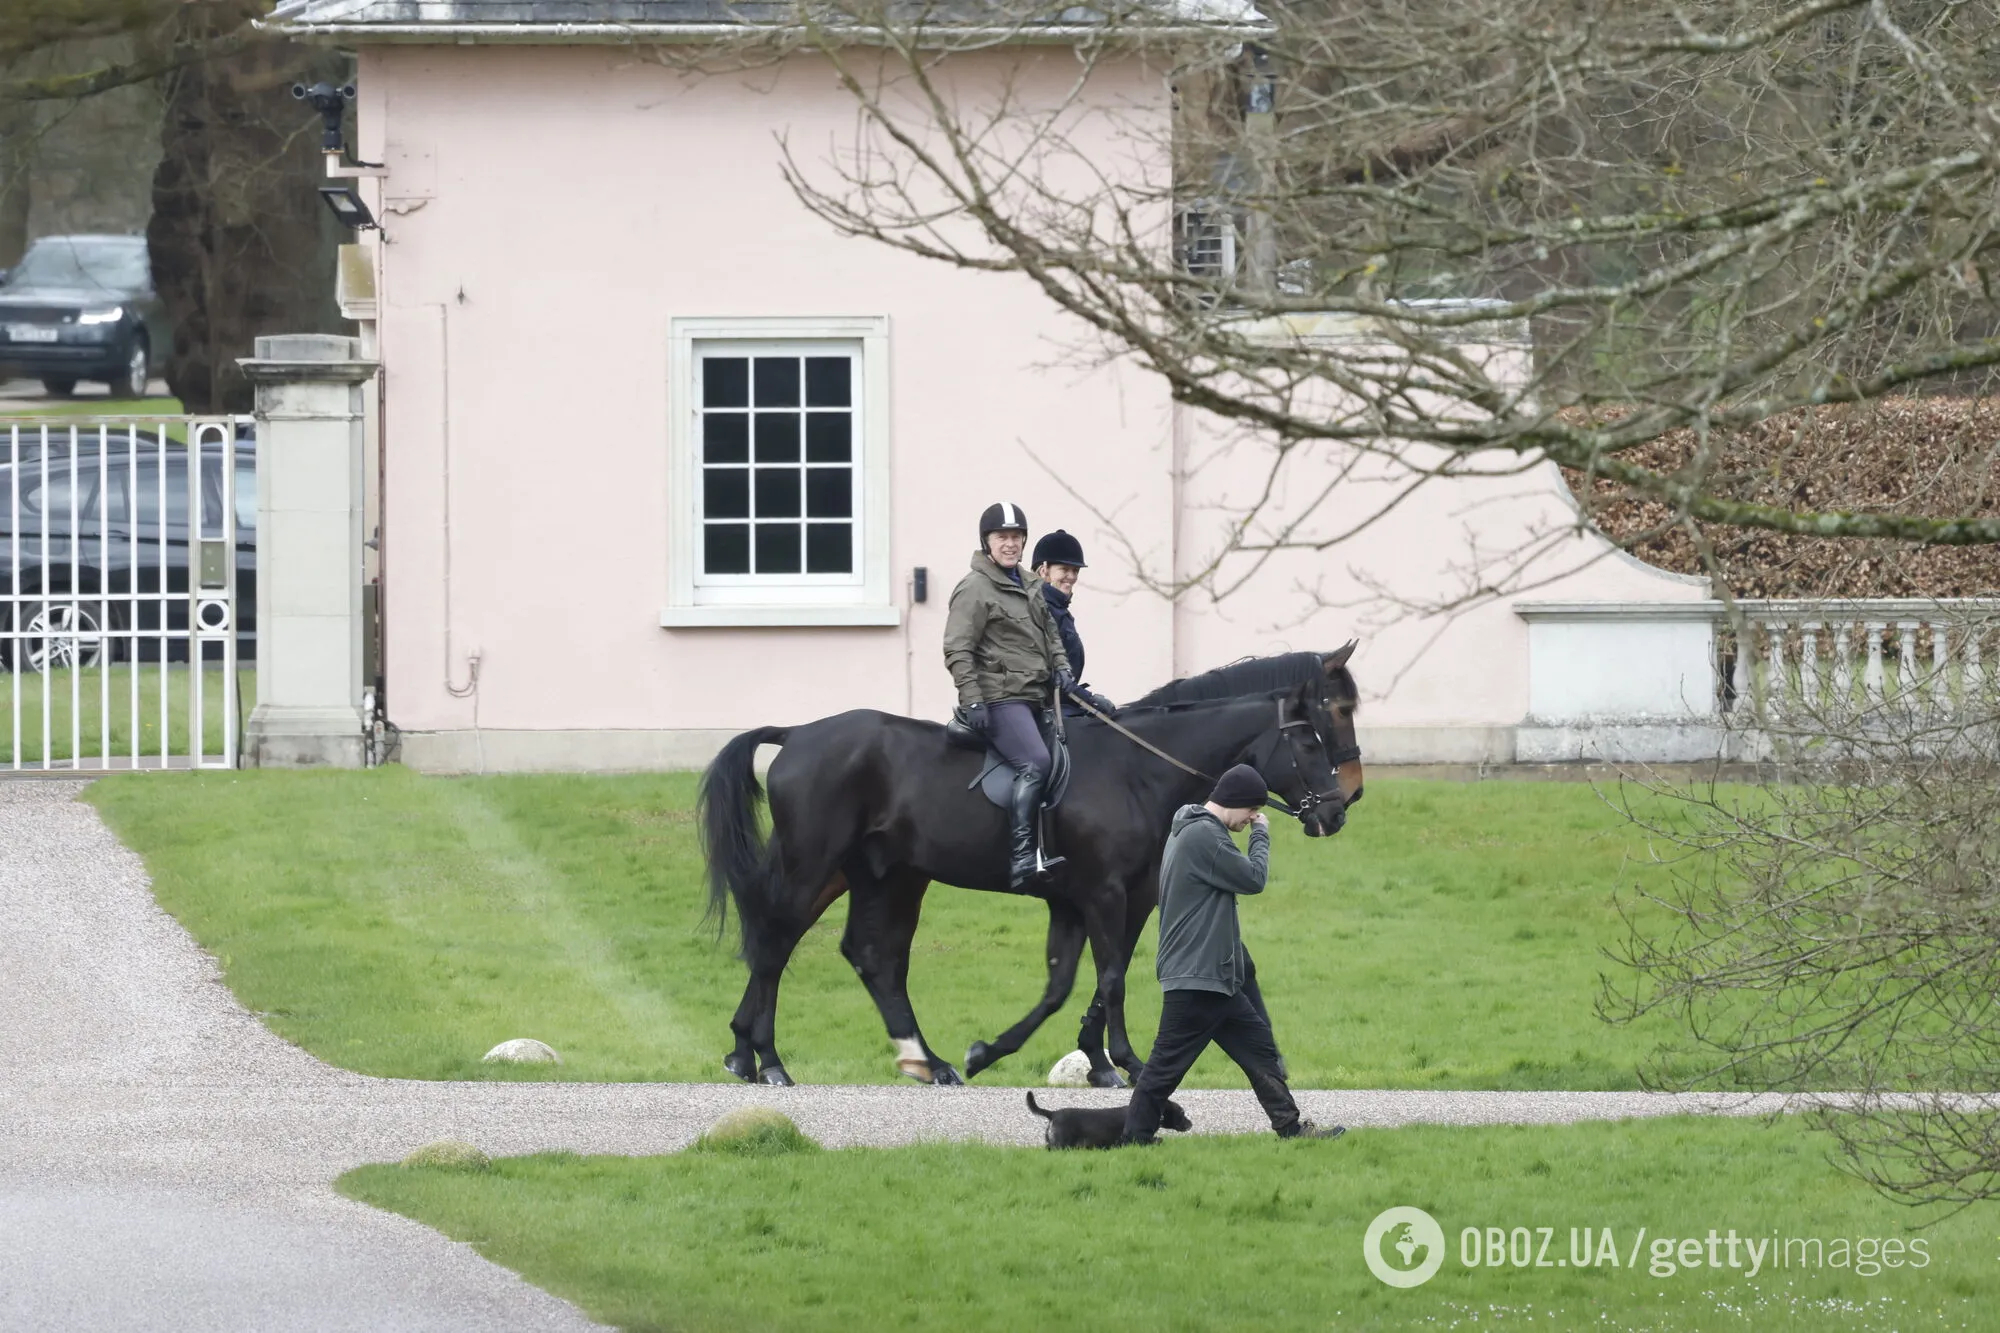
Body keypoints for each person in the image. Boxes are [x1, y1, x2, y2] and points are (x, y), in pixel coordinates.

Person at [1121, 763, 1345, 1144]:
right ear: (1237, 803)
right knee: (1162, 1071)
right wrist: (1261, 834)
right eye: (1251, 811)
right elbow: (1253, 878)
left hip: (1215, 976)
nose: (1251, 818)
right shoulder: (1203, 837)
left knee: (1259, 1049)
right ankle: (1134, 1139)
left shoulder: (1192, 830)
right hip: (1197, 977)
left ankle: (1290, 1129)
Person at [944, 502, 1076, 889]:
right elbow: (957, 648)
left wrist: (1063, 667)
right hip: (1001, 697)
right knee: (1035, 762)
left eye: (1016, 537)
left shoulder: (1030, 583)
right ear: (987, 541)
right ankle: (1021, 860)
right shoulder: (975, 588)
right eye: (1002, 537)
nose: (1010, 544)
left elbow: (1050, 635)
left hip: (1035, 695)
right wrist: (972, 698)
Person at [1030, 529, 1116, 718]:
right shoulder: (1040, 608)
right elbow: (1047, 674)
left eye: (1075, 571)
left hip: (1062, 703)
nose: (1071, 576)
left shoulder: (1060, 610)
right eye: (1064, 569)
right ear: (1044, 570)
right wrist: (1089, 699)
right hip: (1041, 707)